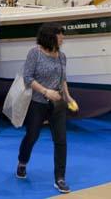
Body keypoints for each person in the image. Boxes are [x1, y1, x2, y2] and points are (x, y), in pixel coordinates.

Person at [17, 23, 77, 194]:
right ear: (51, 36)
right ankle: (22, 162)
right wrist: (45, 91)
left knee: (61, 140)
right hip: (37, 103)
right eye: (60, 34)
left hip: (57, 104)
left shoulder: (62, 56)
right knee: (32, 136)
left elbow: (62, 79)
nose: (63, 38)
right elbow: (27, 78)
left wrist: (68, 96)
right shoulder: (35, 53)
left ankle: (60, 178)